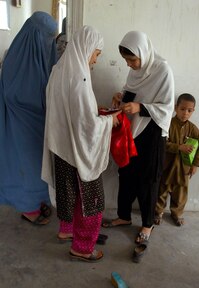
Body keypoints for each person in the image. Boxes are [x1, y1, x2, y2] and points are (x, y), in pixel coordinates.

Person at [42, 25, 121, 262]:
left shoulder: (60, 69)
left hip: (61, 145)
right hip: (77, 149)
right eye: (96, 53)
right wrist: (111, 121)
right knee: (90, 199)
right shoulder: (79, 77)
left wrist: (95, 113)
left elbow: (71, 112)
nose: (96, 59)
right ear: (86, 49)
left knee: (67, 191)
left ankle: (66, 230)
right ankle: (83, 247)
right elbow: (86, 125)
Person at [102, 31, 175, 244]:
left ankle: (147, 224)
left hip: (152, 134)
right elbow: (131, 93)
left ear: (143, 53)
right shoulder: (136, 73)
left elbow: (167, 108)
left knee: (148, 181)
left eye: (132, 59)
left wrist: (140, 107)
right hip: (132, 131)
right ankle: (124, 217)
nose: (130, 65)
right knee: (126, 174)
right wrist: (121, 97)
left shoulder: (162, 70)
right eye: (126, 60)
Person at [0, 12, 57, 225]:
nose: (49, 44)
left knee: (39, 166)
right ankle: (28, 208)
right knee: (27, 165)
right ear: (34, 36)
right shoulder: (17, 57)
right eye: (47, 38)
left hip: (39, 121)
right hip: (20, 124)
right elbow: (14, 93)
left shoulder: (40, 53)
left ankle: (38, 200)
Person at [154, 93, 199, 226]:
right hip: (167, 165)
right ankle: (158, 212)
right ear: (175, 108)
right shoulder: (167, 124)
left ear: (193, 111)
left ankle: (177, 214)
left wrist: (195, 164)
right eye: (182, 109)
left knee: (180, 192)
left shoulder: (193, 129)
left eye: (189, 110)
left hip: (184, 168)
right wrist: (179, 147)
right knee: (162, 189)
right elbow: (162, 143)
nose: (185, 113)